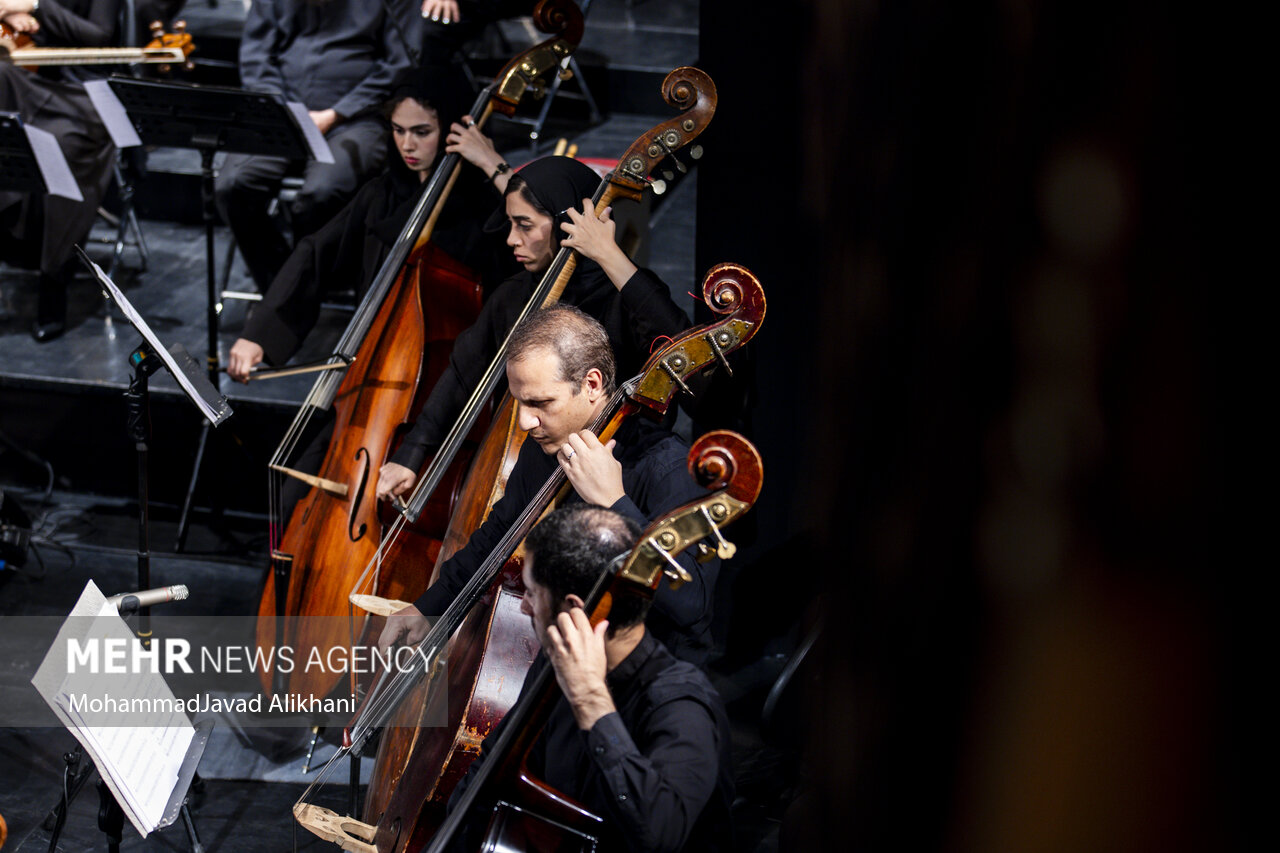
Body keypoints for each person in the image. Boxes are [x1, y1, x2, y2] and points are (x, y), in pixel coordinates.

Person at [379, 305, 719, 665]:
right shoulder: (544, 448)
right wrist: (428, 608)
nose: (525, 421)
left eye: (540, 403)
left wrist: (614, 503)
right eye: (520, 403)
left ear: (591, 384)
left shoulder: (668, 468)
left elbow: (690, 603)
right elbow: (498, 535)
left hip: (644, 678)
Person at [376, 155, 692, 501]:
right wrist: (411, 456)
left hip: (619, 474)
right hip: (530, 472)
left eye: (524, 225)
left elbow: (684, 356)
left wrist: (607, 255)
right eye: (511, 224)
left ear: (565, 223)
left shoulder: (627, 294)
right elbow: (462, 373)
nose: (511, 239)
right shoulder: (514, 294)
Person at [438, 503, 734, 852]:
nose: (524, 606)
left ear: (573, 609)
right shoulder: (554, 663)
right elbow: (489, 776)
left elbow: (658, 833)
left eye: (531, 592)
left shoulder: (682, 705)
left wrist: (591, 701)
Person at [225, 75, 514, 381]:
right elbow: (316, 253)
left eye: (422, 132)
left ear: (453, 130)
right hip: (374, 361)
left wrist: (490, 161)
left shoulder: (486, 202)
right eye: (398, 130)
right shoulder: (382, 193)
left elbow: (543, 225)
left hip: (456, 373)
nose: (407, 144)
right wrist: (259, 334)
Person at [214, 0, 415, 292]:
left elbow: (399, 66)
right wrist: (281, 108)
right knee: (232, 185)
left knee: (322, 191)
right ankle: (281, 286)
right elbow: (257, 58)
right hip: (282, 114)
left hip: (356, 117)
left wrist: (337, 113)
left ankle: (309, 283)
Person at [0, 0, 119, 341]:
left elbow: (98, 35)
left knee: (62, 148)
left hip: (83, 94)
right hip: (24, 78)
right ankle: (10, 235)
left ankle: (53, 279)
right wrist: (9, 13)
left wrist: (36, 6)